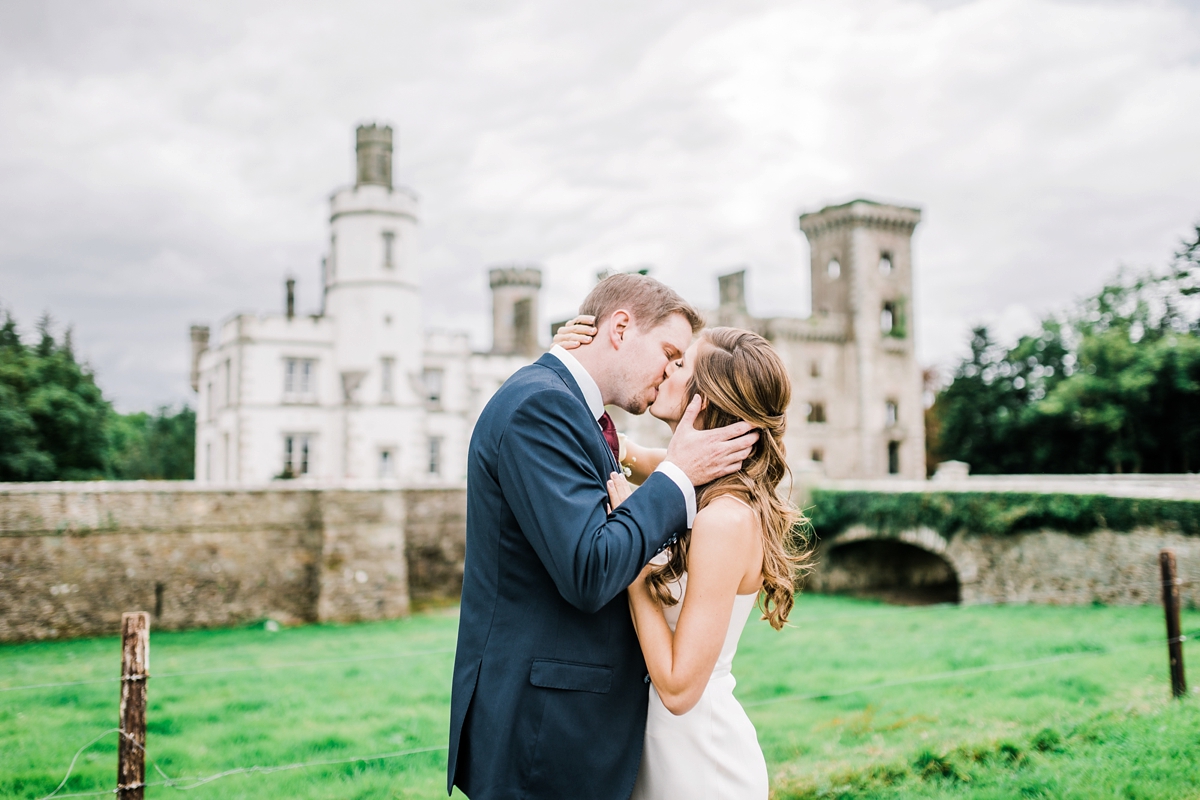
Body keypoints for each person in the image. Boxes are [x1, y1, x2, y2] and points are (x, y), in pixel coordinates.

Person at [448, 274, 761, 800]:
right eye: (669, 352)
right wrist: (676, 476)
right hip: (544, 731)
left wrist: (674, 467)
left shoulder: (567, 407)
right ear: (620, 328)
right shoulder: (540, 406)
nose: (670, 372)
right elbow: (590, 570)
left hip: (598, 734)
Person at [555, 318, 809, 800]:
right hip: (655, 751)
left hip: (699, 762)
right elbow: (622, 451)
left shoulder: (724, 519)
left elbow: (677, 688)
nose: (665, 368)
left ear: (704, 400)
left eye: (680, 364)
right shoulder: (693, 480)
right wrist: (567, 365)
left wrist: (629, 557)